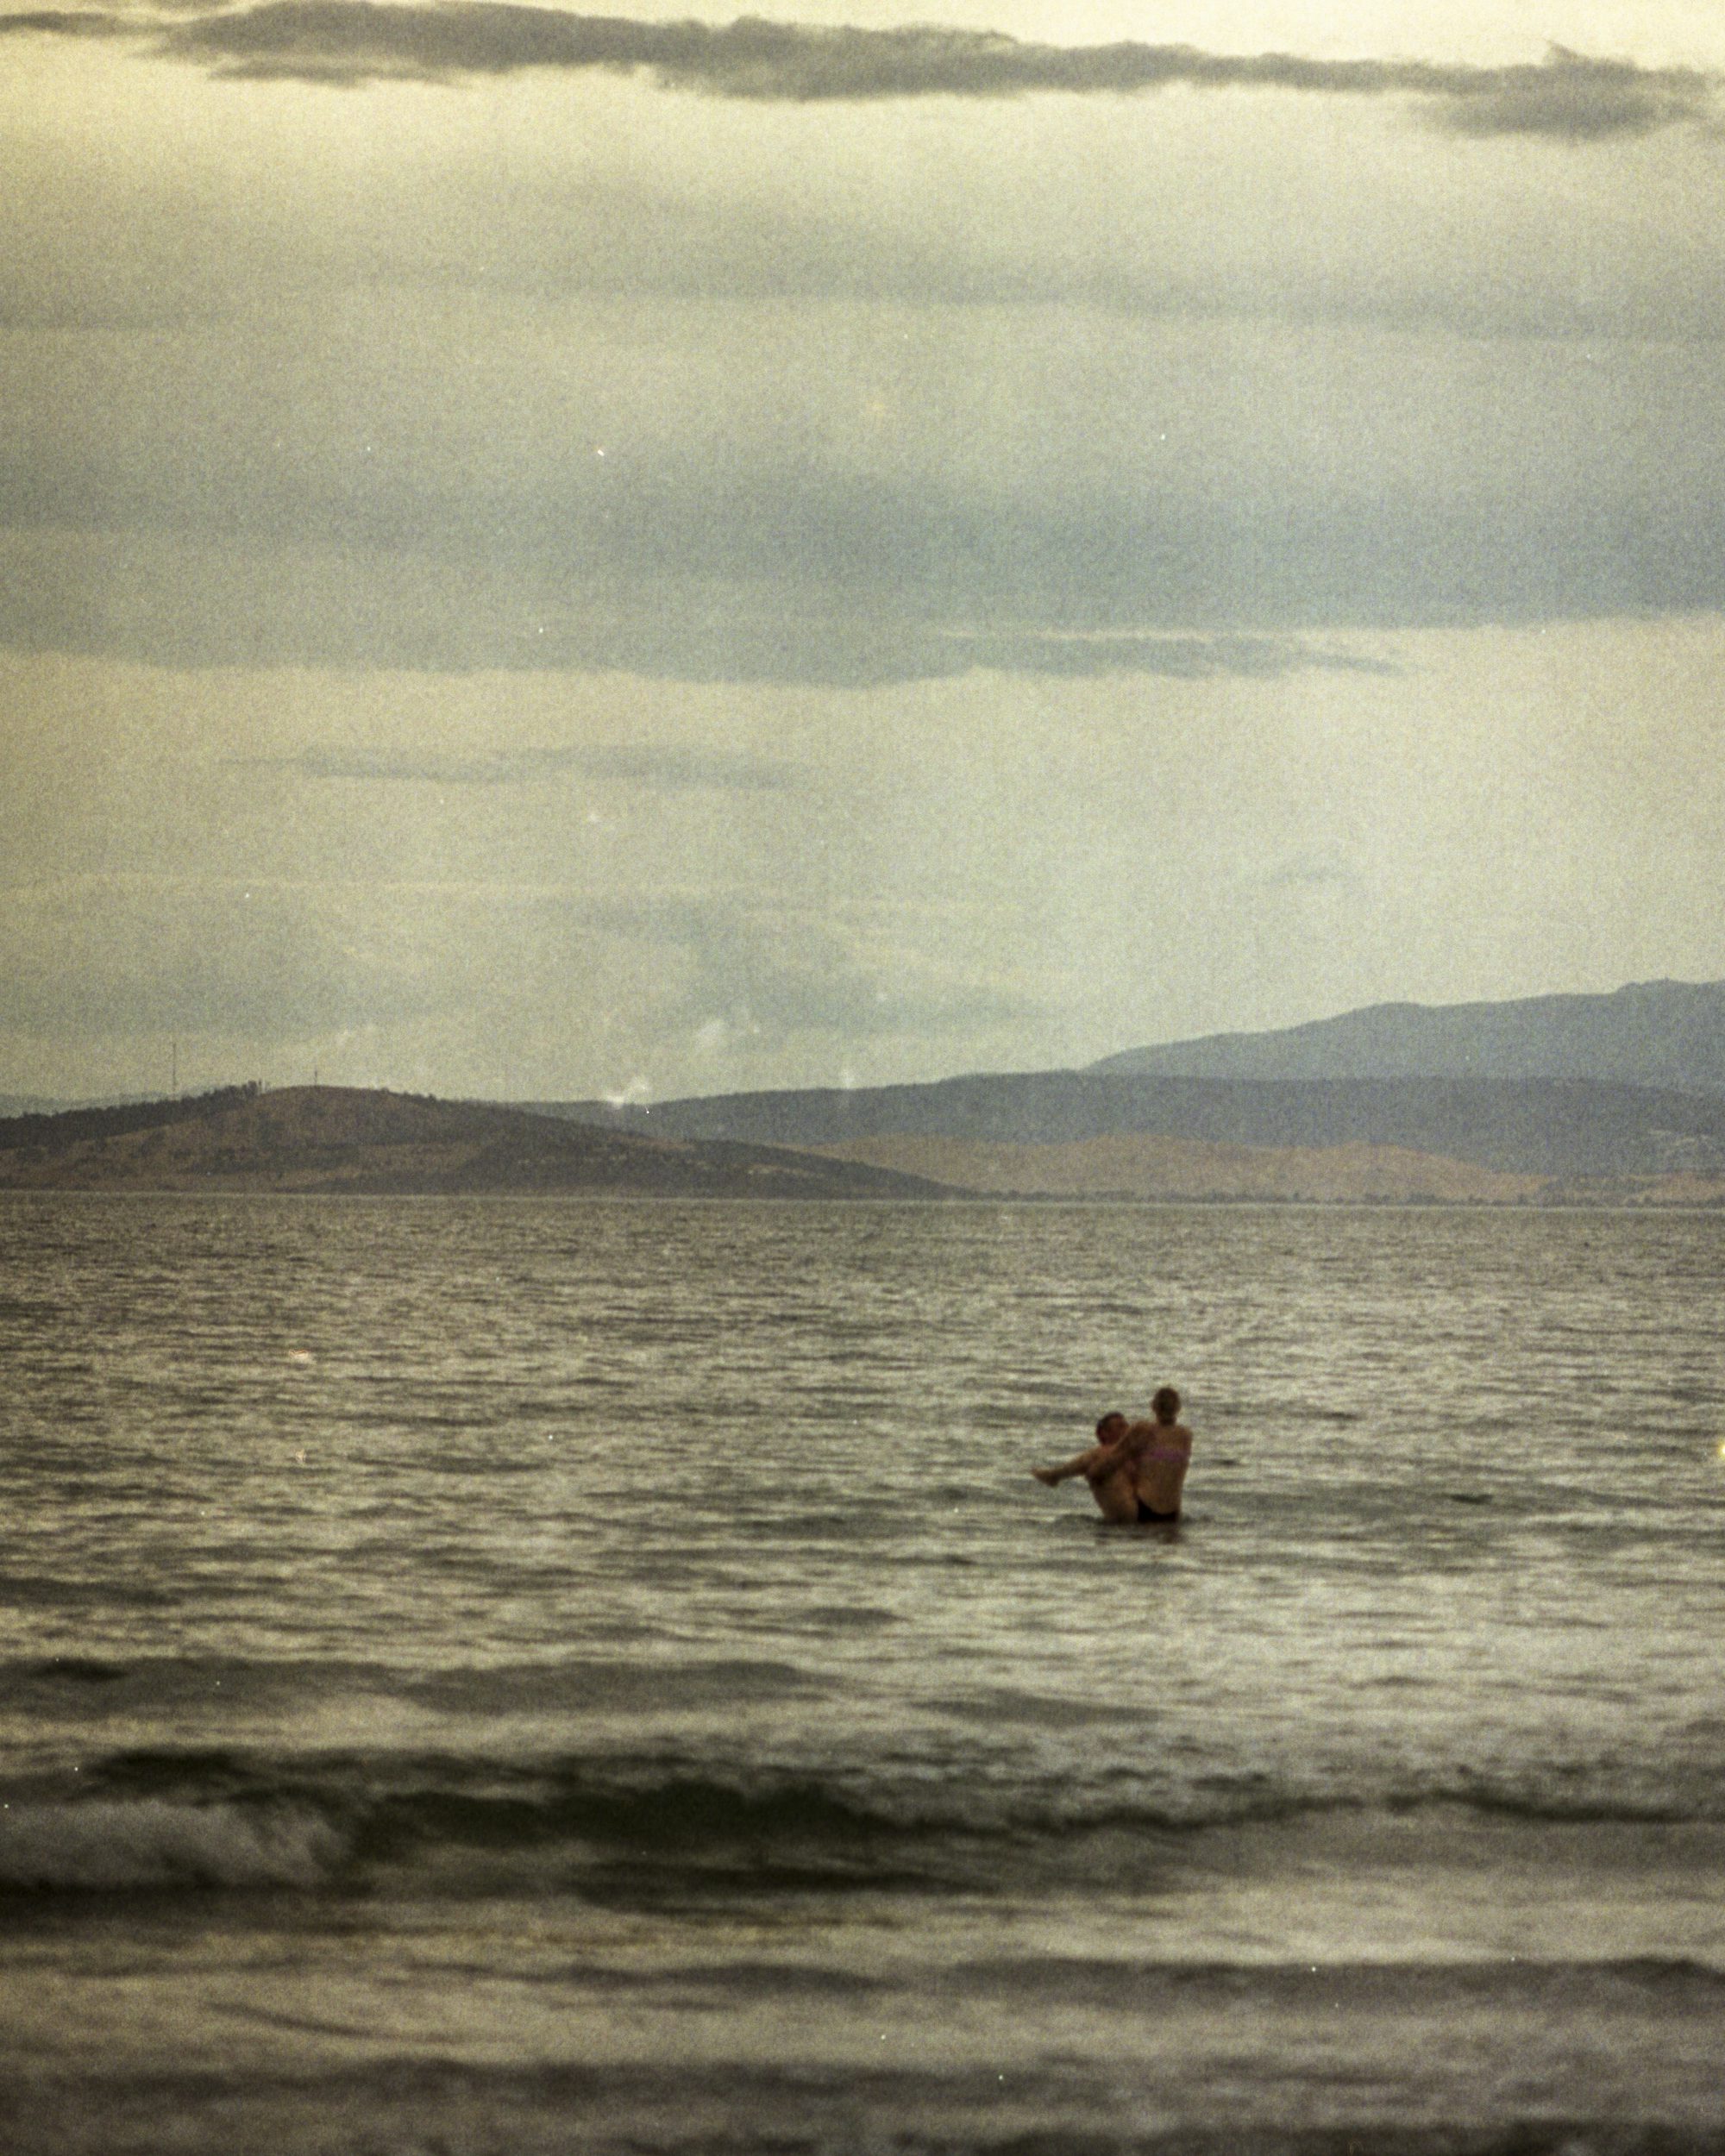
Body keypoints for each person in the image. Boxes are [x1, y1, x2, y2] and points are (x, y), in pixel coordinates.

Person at [1031, 1411, 1139, 1524]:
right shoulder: (1102, 1453)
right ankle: (1054, 1475)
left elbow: (1158, 1455)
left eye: (1127, 1425)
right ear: (1103, 1433)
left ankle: (1054, 1475)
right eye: (1121, 1426)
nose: (1127, 1429)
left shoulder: (1141, 1453)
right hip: (1130, 1521)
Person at [1128, 1386, 1192, 1524]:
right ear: (1178, 1408)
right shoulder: (1185, 1435)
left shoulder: (1143, 1429)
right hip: (1173, 1508)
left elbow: (1126, 1462)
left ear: (1153, 1407)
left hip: (1143, 1503)